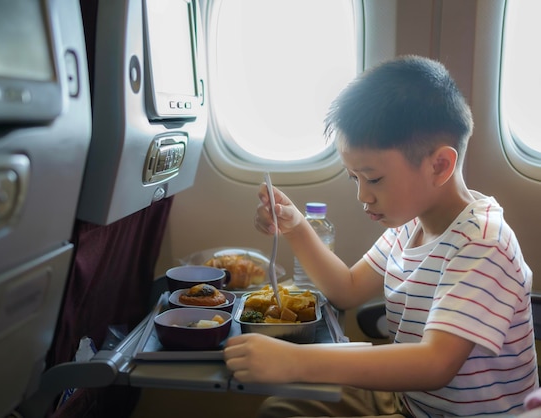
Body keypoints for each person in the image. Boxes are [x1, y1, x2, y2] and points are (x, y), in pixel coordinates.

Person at [223, 55, 539, 417]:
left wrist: (297, 361)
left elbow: (434, 364)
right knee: (283, 409)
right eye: (353, 178)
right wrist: (295, 227)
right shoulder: (410, 225)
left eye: (373, 179)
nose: (362, 195)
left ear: (439, 165)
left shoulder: (484, 244)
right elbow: (348, 288)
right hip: (409, 402)